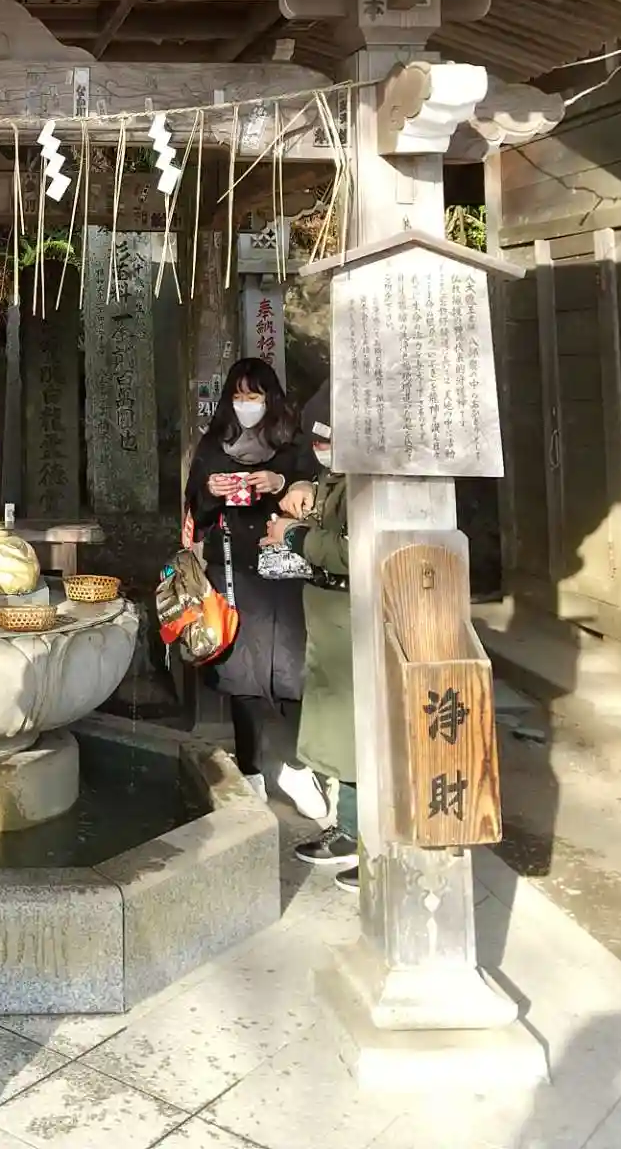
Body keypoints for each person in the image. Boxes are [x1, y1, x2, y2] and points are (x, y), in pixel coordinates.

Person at [182, 357, 326, 820]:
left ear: (271, 399)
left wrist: (281, 482)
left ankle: (299, 766)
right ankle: (251, 769)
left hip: (285, 572)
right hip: (233, 570)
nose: (246, 404)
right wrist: (212, 490)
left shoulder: (291, 441)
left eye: (255, 396)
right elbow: (196, 510)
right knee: (240, 672)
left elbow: (315, 490)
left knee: (294, 666)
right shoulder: (215, 443)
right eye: (239, 396)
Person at [263, 383, 357, 891]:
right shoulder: (334, 476)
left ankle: (372, 841)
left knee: (359, 733)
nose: (320, 448)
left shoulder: (364, 481)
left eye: (327, 440)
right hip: (330, 622)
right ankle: (350, 830)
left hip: (352, 622)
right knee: (341, 736)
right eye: (316, 441)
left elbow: (348, 551)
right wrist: (305, 498)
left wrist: (294, 535)